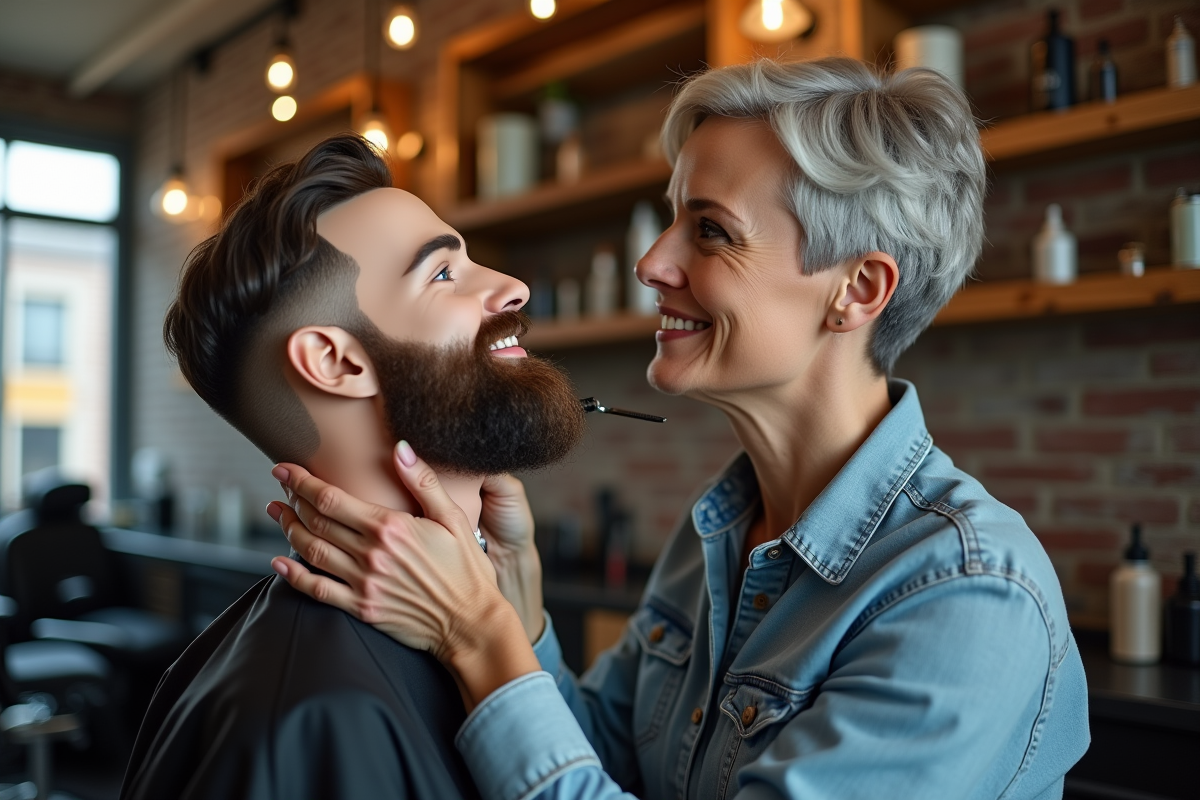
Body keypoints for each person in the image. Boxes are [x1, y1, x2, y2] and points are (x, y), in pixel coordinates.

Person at [269, 59, 1091, 800]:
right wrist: (516, 618)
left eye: (709, 230)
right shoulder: (720, 537)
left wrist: (476, 638)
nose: (652, 262)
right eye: (671, 218)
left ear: (858, 290)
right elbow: (605, 763)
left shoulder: (967, 597)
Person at [120, 134, 586, 800]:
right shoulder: (309, 716)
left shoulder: (481, 636)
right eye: (444, 273)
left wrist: (503, 615)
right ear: (337, 363)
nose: (515, 288)